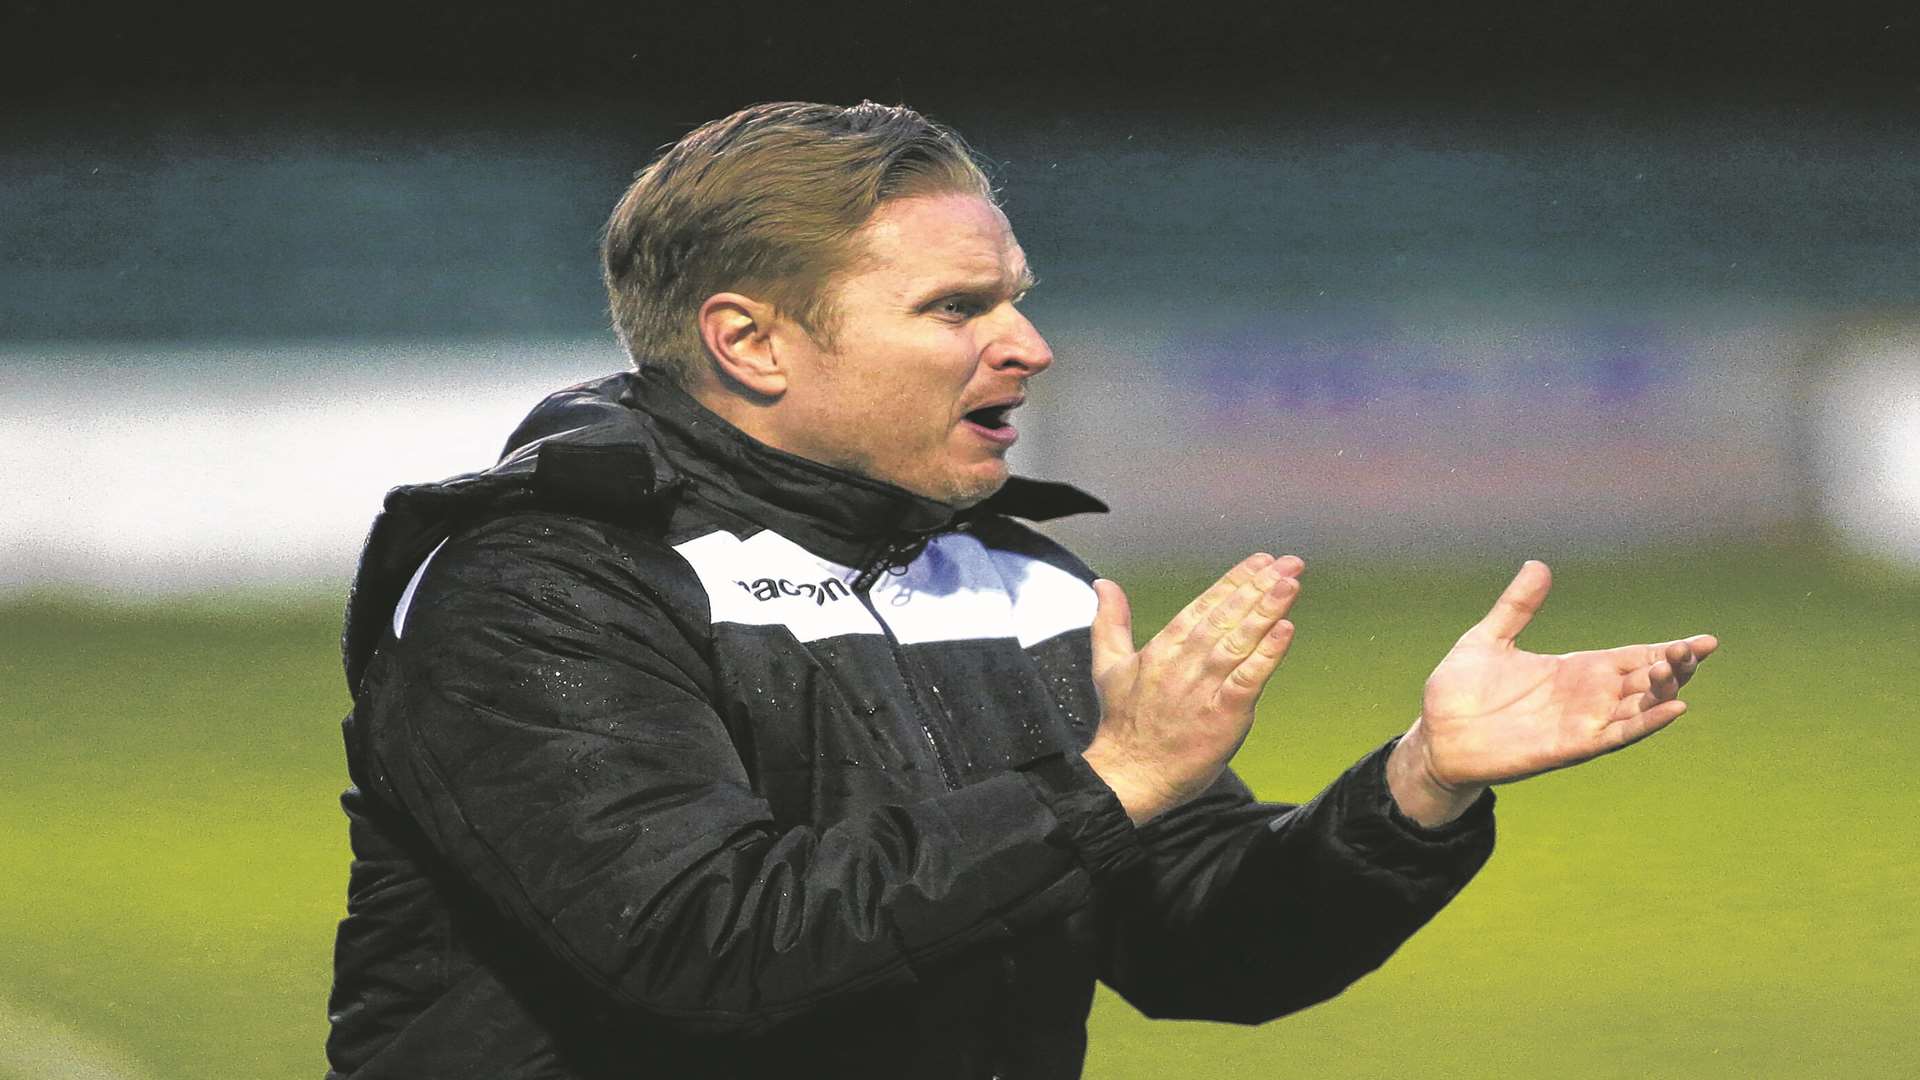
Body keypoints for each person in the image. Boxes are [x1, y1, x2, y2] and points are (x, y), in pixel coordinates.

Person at [325, 101, 1717, 1079]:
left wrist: (1418, 789)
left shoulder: (1013, 584)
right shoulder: (543, 583)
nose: (1030, 345)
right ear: (749, 341)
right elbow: (707, 944)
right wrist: (1104, 786)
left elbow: (1197, 949)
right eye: (957, 308)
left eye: (1017, 297)